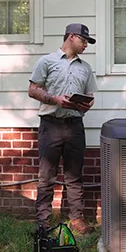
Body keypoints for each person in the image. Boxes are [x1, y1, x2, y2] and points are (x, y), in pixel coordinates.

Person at [27, 23, 98, 234]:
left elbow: (91, 97)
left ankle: (77, 220)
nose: (86, 45)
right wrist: (54, 99)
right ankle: (43, 223)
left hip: (75, 126)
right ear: (72, 37)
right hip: (51, 126)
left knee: (74, 176)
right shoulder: (47, 61)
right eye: (83, 41)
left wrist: (86, 104)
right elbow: (32, 90)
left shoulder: (85, 68)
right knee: (46, 176)